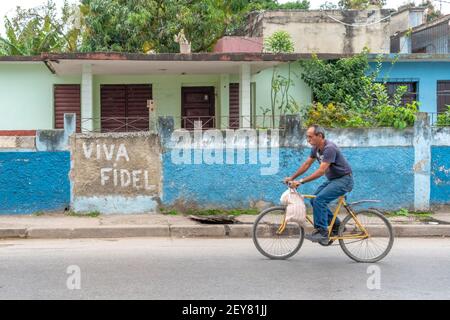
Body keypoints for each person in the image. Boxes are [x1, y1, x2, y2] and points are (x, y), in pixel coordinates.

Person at [284, 125, 354, 242]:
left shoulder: (329, 148)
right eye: (307, 137)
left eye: (310, 137)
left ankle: (322, 232)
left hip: (344, 180)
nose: (308, 140)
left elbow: (321, 171)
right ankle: (337, 226)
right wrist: (292, 177)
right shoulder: (316, 148)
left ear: (320, 136)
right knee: (314, 200)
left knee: (319, 200)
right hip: (334, 180)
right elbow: (307, 164)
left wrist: (300, 181)